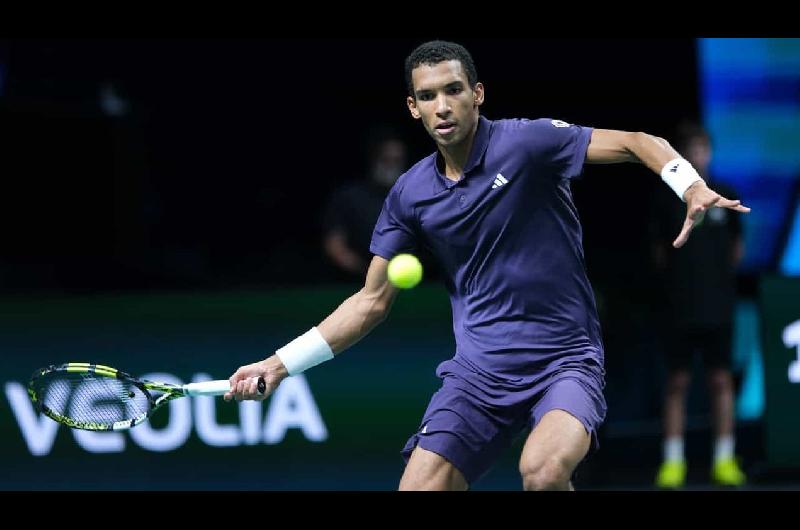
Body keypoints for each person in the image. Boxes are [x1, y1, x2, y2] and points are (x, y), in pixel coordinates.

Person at [224, 41, 750, 491]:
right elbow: (369, 302)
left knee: (542, 473)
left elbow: (637, 143)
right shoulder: (410, 195)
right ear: (414, 108)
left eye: (453, 90)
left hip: (564, 361)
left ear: (477, 93)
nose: (443, 106)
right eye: (428, 96)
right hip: (478, 376)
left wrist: (689, 184)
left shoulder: (528, 143)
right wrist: (278, 364)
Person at [651, 122, 746, 488]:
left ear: (710, 152)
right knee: (677, 382)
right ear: (683, 155)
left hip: (719, 307)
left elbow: (736, 251)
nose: (699, 155)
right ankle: (673, 463)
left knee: (721, 381)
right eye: (692, 148)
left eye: (703, 148)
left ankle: (725, 459)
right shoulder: (665, 200)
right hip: (679, 307)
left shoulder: (727, 194)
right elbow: (659, 254)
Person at [322, 128, 409, 277]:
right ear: (373, 159)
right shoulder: (349, 197)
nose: (392, 166)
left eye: (397, 160)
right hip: (356, 283)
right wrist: (367, 272)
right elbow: (335, 246)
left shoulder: (416, 197)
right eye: (386, 159)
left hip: (415, 284)